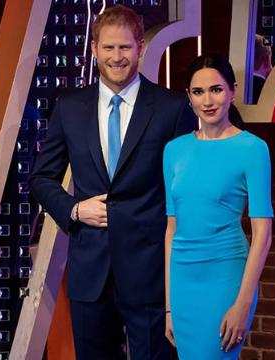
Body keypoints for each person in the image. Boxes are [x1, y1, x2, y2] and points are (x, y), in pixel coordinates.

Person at [30, 5, 197, 360]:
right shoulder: (70, 107)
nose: (116, 57)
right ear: (94, 49)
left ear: (141, 48)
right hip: (90, 273)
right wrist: (74, 209)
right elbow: (42, 178)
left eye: (125, 47)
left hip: (150, 273)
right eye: (108, 48)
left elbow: (184, 191)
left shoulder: (172, 108)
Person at [163, 54, 273, 359]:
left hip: (226, 279)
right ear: (188, 97)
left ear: (233, 91)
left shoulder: (252, 148)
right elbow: (171, 230)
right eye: (198, 92)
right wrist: (169, 306)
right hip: (183, 285)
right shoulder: (174, 151)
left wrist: (243, 303)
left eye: (217, 89)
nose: (208, 100)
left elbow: (263, 234)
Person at [252, 34, 273, 104]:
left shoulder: (232, 90)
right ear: (266, 60)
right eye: (271, 62)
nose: (272, 68)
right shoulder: (270, 92)